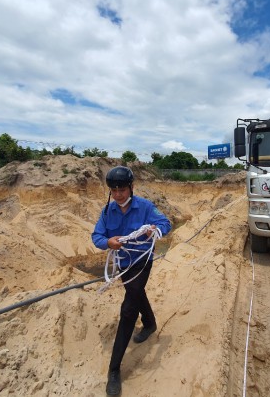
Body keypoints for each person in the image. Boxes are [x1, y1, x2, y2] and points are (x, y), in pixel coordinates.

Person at [92, 166, 171, 396]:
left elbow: (165, 222)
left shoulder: (145, 207)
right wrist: (108, 243)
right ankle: (149, 323)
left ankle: (114, 369)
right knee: (137, 294)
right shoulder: (107, 212)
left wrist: (155, 229)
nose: (118, 194)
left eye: (122, 189)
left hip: (142, 260)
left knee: (128, 308)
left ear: (131, 188)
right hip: (123, 263)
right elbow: (96, 236)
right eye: (114, 190)